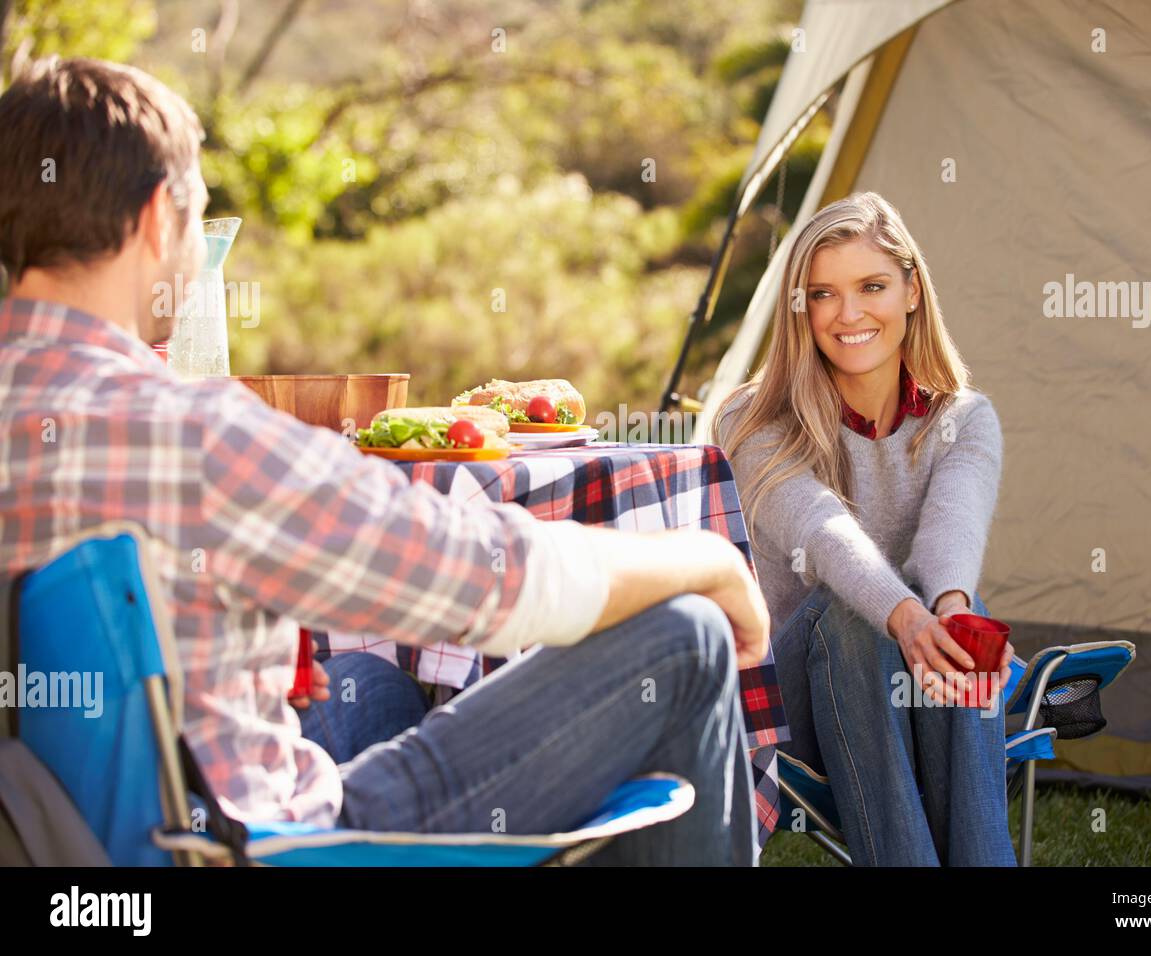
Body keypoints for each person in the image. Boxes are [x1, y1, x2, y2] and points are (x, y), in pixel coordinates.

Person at [0, 56, 770, 866]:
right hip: (257, 845)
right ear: (162, 217)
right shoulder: (191, 434)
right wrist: (709, 558)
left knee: (365, 685)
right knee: (685, 638)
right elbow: (487, 579)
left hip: (76, 848)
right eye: (199, 214)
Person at [715, 192, 1017, 866]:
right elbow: (824, 534)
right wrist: (906, 619)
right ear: (803, 310)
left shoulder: (963, 420)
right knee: (854, 616)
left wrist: (948, 614)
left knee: (965, 623)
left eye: (872, 287)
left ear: (912, 290)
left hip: (907, 687)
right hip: (790, 708)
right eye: (823, 294)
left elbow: (953, 528)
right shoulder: (753, 422)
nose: (849, 314)